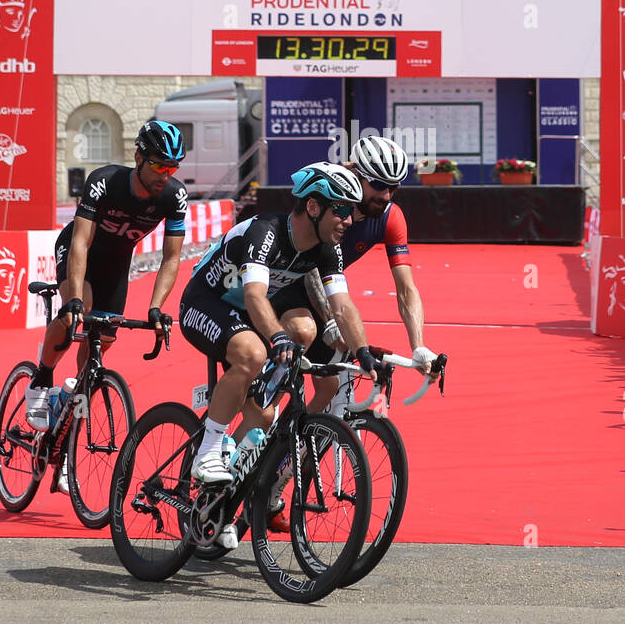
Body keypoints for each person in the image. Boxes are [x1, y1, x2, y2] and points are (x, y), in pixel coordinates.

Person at [177, 162, 380, 534]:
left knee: (266, 410)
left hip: (248, 312)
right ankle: (208, 449)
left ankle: (223, 497)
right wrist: (276, 338)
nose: (350, 219)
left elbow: (342, 305)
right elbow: (254, 295)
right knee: (252, 353)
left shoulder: (325, 248)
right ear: (314, 207)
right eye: (341, 209)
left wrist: (363, 352)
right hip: (206, 302)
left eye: (352, 210)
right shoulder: (266, 231)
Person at [27, 120, 188, 432]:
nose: (164, 176)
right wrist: (72, 299)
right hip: (80, 250)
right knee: (80, 307)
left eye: (173, 168)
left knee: (106, 334)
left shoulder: (174, 196)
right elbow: (80, 241)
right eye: (158, 166)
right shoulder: (105, 181)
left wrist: (156, 307)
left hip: (116, 262)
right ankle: (42, 376)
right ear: (139, 158)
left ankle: (71, 409)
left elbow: (171, 258)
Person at [271, 136, 439, 413]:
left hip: (328, 290)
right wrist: (332, 322)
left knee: (330, 387)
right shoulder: (330, 201)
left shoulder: (390, 216)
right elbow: (311, 269)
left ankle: (287, 451)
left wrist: (418, 345)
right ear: (356, 175)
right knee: (305, 333)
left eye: (393, 187)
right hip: (285, 284)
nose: (386, 196)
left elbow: (406, 288)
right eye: (379, 185)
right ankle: (262, 419)